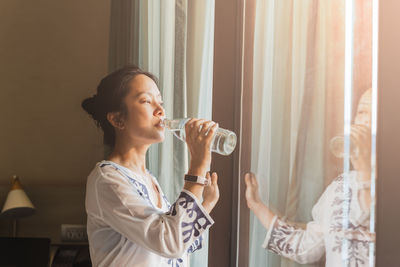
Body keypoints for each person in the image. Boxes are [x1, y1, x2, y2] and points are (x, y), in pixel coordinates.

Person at [81, 65, 220, 266]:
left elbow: (178, 246)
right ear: (118, 119)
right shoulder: (107, 180)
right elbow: (170, 243)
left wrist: (205, 204)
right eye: (146, 101)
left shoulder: (148, 179)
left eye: (160, 102)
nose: (160, 110)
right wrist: (198, 166)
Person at [244, 89, 375, 267]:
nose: (366, 121)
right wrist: (257, 205)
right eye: (362, 112)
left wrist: (366, 171)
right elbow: (307, 248)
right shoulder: (342, 186)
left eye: (376, 113)